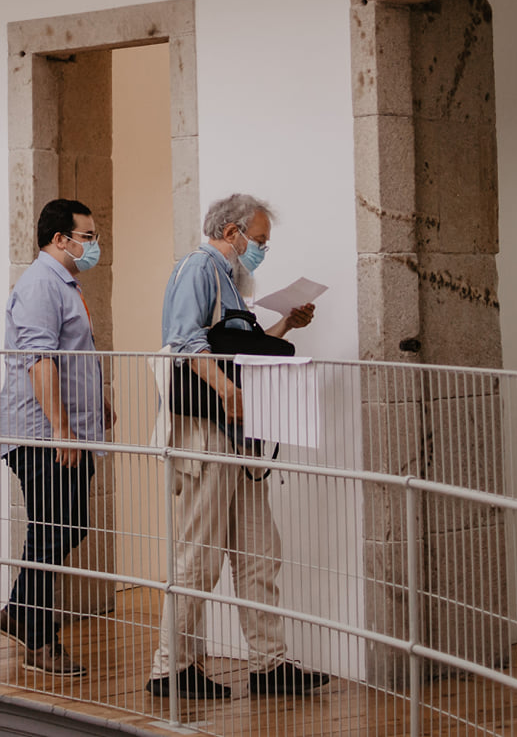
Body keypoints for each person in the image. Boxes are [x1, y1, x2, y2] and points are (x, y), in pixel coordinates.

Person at [146, 195, 329, 700]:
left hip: (238, 435)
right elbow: (185, 341)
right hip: (207, 430)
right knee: (198, 555)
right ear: (232, 231)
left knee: (259, 551)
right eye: (259, 240)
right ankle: (171, 668)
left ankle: (269, 664)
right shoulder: (198, 269)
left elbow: (240, 350)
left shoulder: (231, 282)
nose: (261, 249)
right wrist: (227, 391)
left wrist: (286, 325)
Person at [0, 198, 113, 677]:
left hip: (68, 429)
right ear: (60, 239)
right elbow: (39, 360)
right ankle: (39, 640)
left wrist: (98, 402)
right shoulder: (41, 284)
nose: (95, 245)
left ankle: (17, 612)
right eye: (88, 236)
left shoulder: (65, 284)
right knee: (51, 530)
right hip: (44, 435)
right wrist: (61, 429)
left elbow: (71, 353)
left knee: (68, 526)